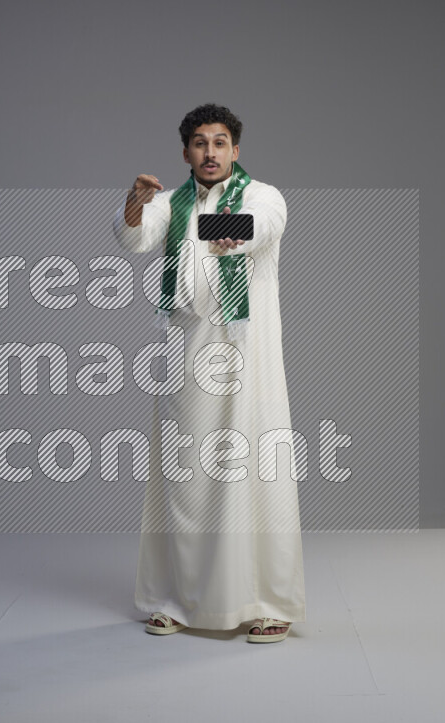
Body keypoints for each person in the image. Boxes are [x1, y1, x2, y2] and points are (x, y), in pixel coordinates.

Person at [112, 103, 305, 643]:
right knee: (184, 475)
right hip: (185, 356)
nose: (211, 152)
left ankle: (268, 601)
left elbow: (253, 229)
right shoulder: (168, 201)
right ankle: (175, 597)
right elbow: (133, 237)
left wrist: (194, 222)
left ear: (235, 150)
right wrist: (133, 205)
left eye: (220, 143)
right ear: (186, 153)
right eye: (200, 143)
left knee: (255, 472)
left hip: (248, 357)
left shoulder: (265, 196)